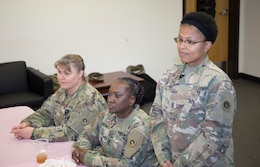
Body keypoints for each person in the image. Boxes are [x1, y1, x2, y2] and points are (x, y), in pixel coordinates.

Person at [150, 11, 237, 167]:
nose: (182, 47)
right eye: (180, 39)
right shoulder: (168, 76)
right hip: (171, 160)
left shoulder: (218, 82)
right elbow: (157, 117)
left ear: (207, 45)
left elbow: (215, 137)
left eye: (190, 42)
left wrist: (180, 164)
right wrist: (163, 156)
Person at [10, 54, 107, 142]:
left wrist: (33, 133)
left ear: (80, 73)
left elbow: (70, 133)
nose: (61, 77)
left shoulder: (88, 99)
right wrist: (28, 123)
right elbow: (46, 113)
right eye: (59, 72)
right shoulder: (63, 90)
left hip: (89, 149)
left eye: (67, 73)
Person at [71, 77, 159, 166]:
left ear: (131, 100)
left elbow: (127, 165)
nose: (110, 99)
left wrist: (88, 158)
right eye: (109, 94)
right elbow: (86, 136)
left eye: (117, 96)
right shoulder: (107, 115)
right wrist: (80, 151)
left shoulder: (140, 127)